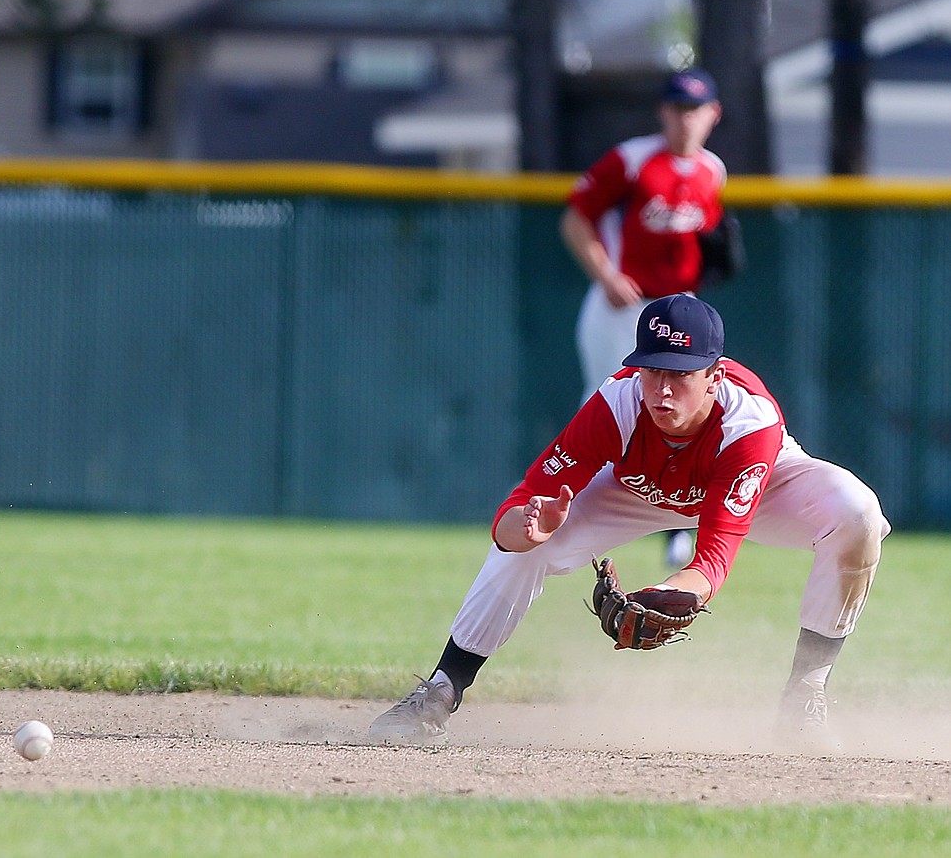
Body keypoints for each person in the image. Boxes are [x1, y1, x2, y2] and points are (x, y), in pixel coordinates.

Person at [368, 294, 889, 754]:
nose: (662, 390)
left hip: (757, 484)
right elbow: (523, 500)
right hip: (635, 487)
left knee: (857, 514)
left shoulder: (748, 426)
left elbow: (714, 556)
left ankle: (805, 695)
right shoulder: (617, 403)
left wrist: (669, 593)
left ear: (714, 376)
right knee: (527, 549)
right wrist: (525, 530)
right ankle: (438, 692)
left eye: (680, 375)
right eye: (652, 371)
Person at [560, 66, 730, 570]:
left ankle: (679, 528)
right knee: (606, 408)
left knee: (686, 415)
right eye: (677, 109)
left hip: (680, 313)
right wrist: (605, 273)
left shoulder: (712, 171)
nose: (685, 119)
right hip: (624, 307)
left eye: (695, 110)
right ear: (663, 112)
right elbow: (575, 216)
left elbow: (709, 238)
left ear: (713, 115)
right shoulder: (633, 160)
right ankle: (574, 521)